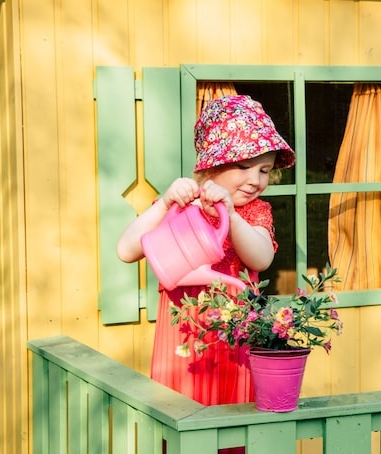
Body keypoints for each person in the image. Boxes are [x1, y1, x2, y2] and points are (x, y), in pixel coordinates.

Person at [116, 95, 295, 412]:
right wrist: (166, 203)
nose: (255, 180)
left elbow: (261, 258)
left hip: (236, 337)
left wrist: (231, 214)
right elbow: (126, 250)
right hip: (185, 338)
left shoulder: (254, 212)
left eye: (265, 171)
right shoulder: (185, 207)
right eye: (244, 167)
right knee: (183, 417)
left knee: (234, 418)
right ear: (213, 164)